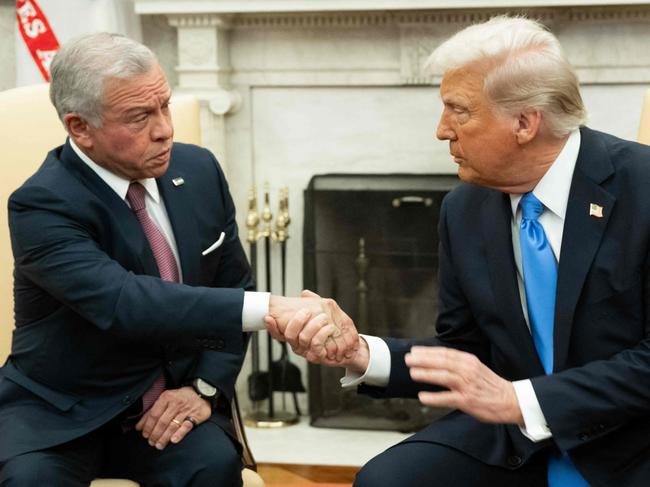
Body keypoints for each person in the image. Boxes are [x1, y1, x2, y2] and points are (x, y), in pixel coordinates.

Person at [272, 15, 650, 487]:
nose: (442, 130)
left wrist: (521, 401)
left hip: (632, 435)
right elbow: (463, 350)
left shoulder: (641, 188)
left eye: (459, 110)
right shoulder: (465, 208)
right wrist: (361, 352)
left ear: (525, 123)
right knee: (384, 481)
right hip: (514, 437)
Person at [0, 33, 356, 486]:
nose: (165, 128)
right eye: (140, 116)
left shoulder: (199, 170)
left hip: (171, 402)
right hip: (63, 413)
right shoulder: (41, 204)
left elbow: (234, 285)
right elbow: (127, 303)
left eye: (165, 106)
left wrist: (204, 388)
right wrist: (273, 309)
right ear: (80, 128)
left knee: (212, 465)